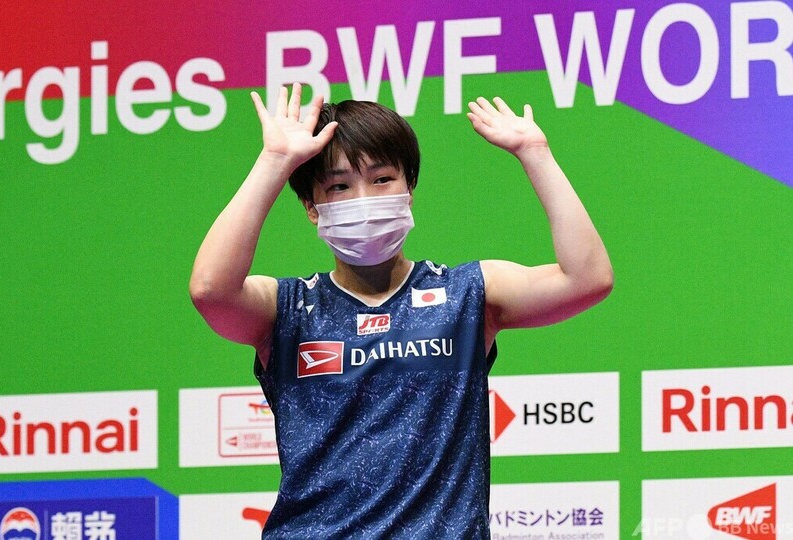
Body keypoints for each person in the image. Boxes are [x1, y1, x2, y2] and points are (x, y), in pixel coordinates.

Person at [189, 82, 613, 538]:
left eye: (382, 179)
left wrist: (536, 154)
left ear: (409, 189)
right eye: (339, 186)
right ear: (312, 207)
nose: (365, 201)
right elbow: (211, 290)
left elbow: (586, 279)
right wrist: (274, 162)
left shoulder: (468, 294)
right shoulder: (287, 309)